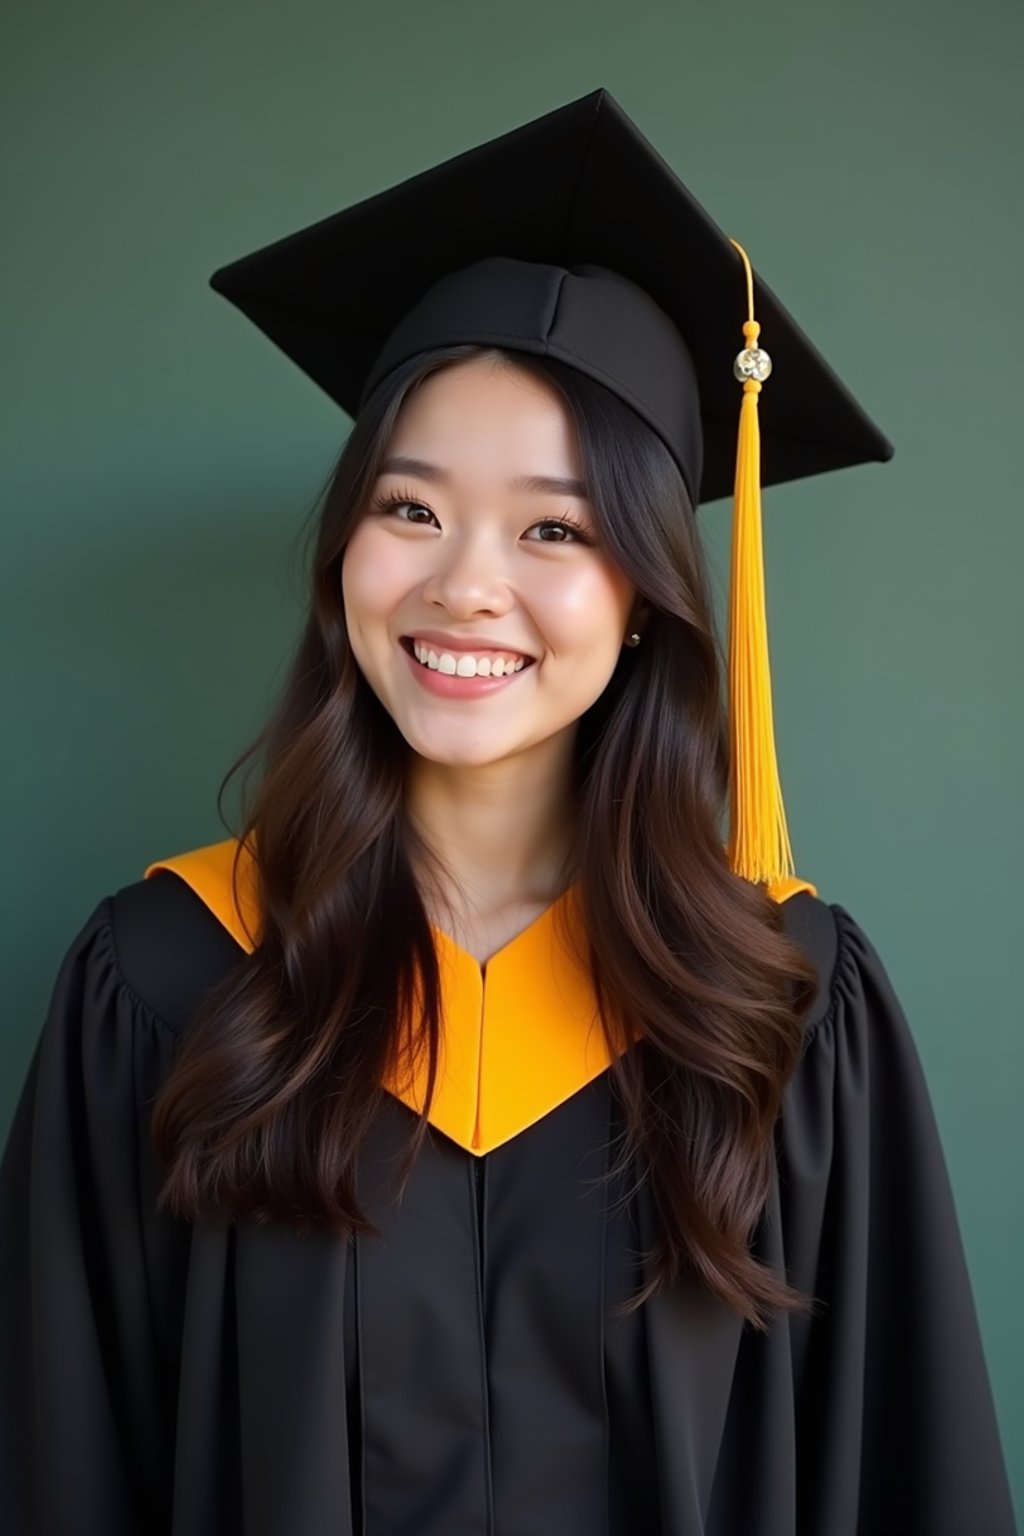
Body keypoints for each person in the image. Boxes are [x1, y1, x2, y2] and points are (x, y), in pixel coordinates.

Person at [0, 87, 1016, 1536]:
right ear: (345, 542)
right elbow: (61, 1467)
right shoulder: (165, 984)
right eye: (410, 508)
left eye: (556, 528)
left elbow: (909, 1471)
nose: (466, 585)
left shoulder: (785, 1010)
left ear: (649, 596)